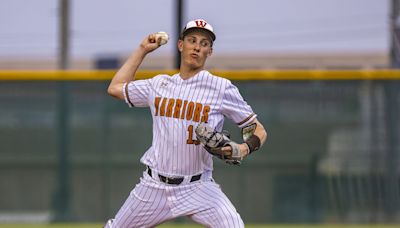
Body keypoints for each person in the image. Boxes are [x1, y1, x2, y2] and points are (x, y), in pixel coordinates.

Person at [105, 19, 267, 228]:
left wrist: (244, 148)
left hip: (198, 187)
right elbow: (116, 88)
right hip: (153, 186)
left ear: (210, 52)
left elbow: (257, 129)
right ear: (181, 45)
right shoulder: (159, 84)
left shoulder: (221, 88)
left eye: (204, 43)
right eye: (192, 40)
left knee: (234, 225)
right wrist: (143, 50)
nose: (197, 46)